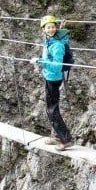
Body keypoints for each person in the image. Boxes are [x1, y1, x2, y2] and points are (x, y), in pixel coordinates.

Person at [32, 15, 74, 151]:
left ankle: (65, 139)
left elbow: (56, 66)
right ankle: (56, 136)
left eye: (53, 27)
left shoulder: (57, 45)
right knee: (50, 108)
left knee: (52, 110)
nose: (50, 29)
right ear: (43, 29)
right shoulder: (50, 39)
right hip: (49, 77)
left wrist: (40, 61)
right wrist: (62, 28)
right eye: (48, 27)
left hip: (53, 78)